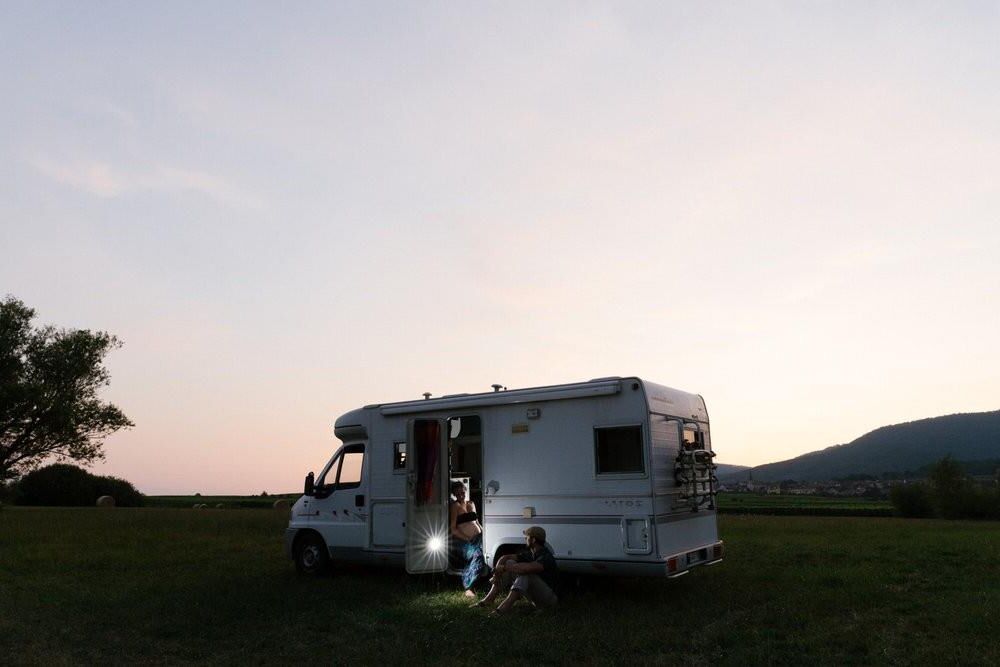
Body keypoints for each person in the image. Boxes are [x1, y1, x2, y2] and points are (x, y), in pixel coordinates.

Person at [472, 526, 558, 614]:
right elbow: (505, 558)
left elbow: (528, 568)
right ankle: (489, 599)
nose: (525, 538)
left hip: (549, 600)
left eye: (527, 537)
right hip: (537, 597)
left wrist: (504, 568)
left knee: (526, 574)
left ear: (533, 540)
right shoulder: (531, 554)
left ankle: (503, 609)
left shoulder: (545, 556)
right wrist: (497, 574)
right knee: (509, 562)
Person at [450, 480, 486, 596]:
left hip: (478, 537)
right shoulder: (455, 506)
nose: (461, 496)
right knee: (477, 555)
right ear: (454, 494)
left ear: (465, 491)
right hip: (464, 541)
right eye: (458, 494)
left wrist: (484, 533)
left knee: (486, 553)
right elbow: (453, 529)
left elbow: (477, 522)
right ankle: (469, 587)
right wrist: (467, 538)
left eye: (462, 493)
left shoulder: (471, 503)